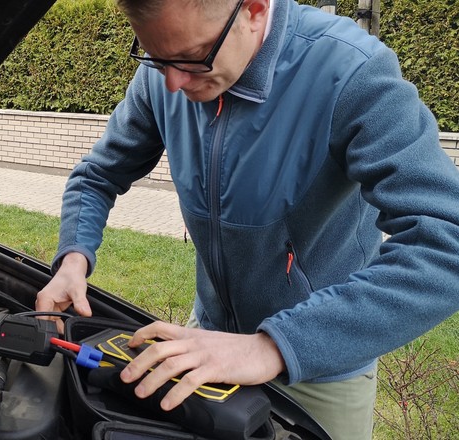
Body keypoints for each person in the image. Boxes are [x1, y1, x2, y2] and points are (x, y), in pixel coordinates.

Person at [35, 0, 459, 438]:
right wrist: (73, 259)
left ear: (253, 10)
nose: (174, 83)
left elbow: (446, 243)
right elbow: (98, 174)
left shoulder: (351, 71)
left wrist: (272, 346)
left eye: (192, 58)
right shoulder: (164, 73)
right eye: (157, 58)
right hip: (206, 340)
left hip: (319, 362)